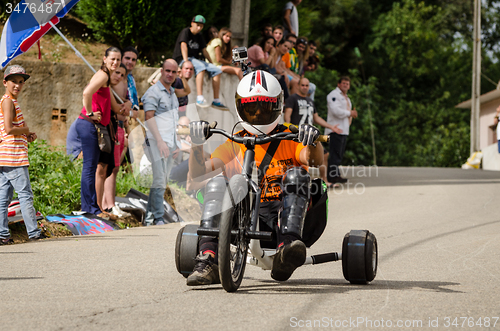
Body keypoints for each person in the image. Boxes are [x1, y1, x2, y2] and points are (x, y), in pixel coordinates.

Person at [186, 70, 326, 285]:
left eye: (265, 106)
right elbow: (198, 173)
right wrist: (197, 142)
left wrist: (313, 140)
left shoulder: (291, 135)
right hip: (240, 218)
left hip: (285, 215)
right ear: (241, 107)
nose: (259, 113)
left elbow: (314, 161)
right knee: (216, 183)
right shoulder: (235, 140)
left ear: (277, 106)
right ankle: (208, 257)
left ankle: (287, 248)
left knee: (297, 175)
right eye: (252, 107)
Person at [76, 47, 130, 220]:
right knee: (90, 167)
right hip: (88, 124)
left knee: (92, 167)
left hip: (92, 126)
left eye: (118, 59)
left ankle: (93, 206)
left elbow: (116, 109)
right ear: (104, 58)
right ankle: (90, 207)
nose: (115, 62)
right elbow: (86, 92)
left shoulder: (105, 80)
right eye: (112, 59)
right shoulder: (104, 75)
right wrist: (90, 112)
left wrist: (128, 105)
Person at [0, 65, 45, 244]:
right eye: (13, 81)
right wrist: (26, 129)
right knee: (25, 194)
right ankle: (33, 232)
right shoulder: (8, 101)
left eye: (21, 82)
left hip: (5, 156)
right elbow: (10, 128)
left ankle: (3, 234)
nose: (17, 85)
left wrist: (26, 135)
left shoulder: (8, 101)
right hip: (14, 157)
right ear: (5, 82)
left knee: (3, 198)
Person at [141, 59, 181, 226]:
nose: (170, 74)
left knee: (161, 180)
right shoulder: (153, 92)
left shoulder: (172, 93)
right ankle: (158, 217)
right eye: (167, 71)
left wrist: (176, 143)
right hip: (156, 142)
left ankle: (149, 219)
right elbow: (149, 118)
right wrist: (160, 142)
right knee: (159, 179)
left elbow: (173, 121)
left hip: (170, 143)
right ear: (162, 71)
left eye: (173, 72)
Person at [284, 77, 342, 187]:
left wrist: (331, 127)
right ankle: (303, 183)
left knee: (324, 154)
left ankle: (324, 181)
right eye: (303, 85)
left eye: (307, 85)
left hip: (310, 134)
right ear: (298, 86)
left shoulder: (310, 101)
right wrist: (289, 128)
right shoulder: (292, 98)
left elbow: (316, 118)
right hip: (298, 134)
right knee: (301, 159)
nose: (305, 87)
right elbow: (288, 114)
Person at [172, 15, 227, 109]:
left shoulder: (199, 36)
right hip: (182, 59)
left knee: (217, 70)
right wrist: (185, 61)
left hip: (194, 59)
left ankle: (216, 100)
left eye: (201, 26)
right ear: (192, 23)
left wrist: (211, 63)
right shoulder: (186, 32)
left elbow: (204, 50)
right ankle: (200, 97)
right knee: (201, 67)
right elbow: (183, 46)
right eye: (197, 25)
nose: (199, 28)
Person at [102, 63, 131, 218]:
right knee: (107, 169)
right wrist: (124, 107)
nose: (119, 76)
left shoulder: (123, 85)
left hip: (119, 127)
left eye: (122, 74)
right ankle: (107, 205)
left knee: (114, 168)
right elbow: (118, 110)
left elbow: (128, 107)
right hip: (110, 127)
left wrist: (128, 104)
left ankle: (109, 204)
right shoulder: (104, 84)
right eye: (117, 73)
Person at [325, 76, 358, 184]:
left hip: (344, 129)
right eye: (343, 83)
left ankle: (336, 174)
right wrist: (350, 113)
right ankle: (332, 176)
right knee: (335, 153)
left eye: (347, 84)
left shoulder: (347, 98)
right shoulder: (334, 95)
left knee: (339, 153)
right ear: (339, 84)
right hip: (336, 128)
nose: (345, 85)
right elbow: (335, 110)